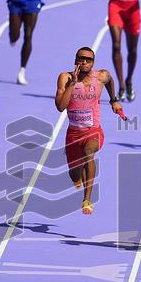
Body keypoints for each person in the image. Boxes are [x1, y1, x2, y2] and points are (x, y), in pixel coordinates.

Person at [54, 47, 122, 215]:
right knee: (74, 173)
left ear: (93, 63)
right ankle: (77, 179)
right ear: (75, 60)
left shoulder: (100, 76)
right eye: (80, 58)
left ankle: (87, 199)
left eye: (88, 59)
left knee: (88, 152)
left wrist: (113, 100)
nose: (84, 61)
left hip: (93, 130)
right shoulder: (65, 77)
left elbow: (110, 81)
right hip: (73, 134)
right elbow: (60, 106)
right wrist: (72, 83)